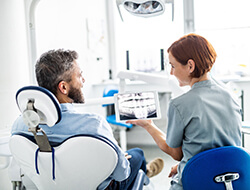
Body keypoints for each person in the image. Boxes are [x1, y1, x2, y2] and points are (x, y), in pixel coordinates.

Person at [11, 49, 164, 190]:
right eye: (79, 75)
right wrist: (118, 159)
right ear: (63, 87)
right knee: (136, 155)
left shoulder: (20, 126)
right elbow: (121, 174)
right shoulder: (94, 125)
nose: (83, 80)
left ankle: (146, 170)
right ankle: (146, 171)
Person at [126, 33, 242, 190]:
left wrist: (148, 125)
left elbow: (176, 153)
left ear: (190, 66)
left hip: (197, 182)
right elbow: (220, 147)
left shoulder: (180, 105)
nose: (171, 73)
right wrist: (185, 165)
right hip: (231, 181)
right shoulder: (231, 96)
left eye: (173, 66)